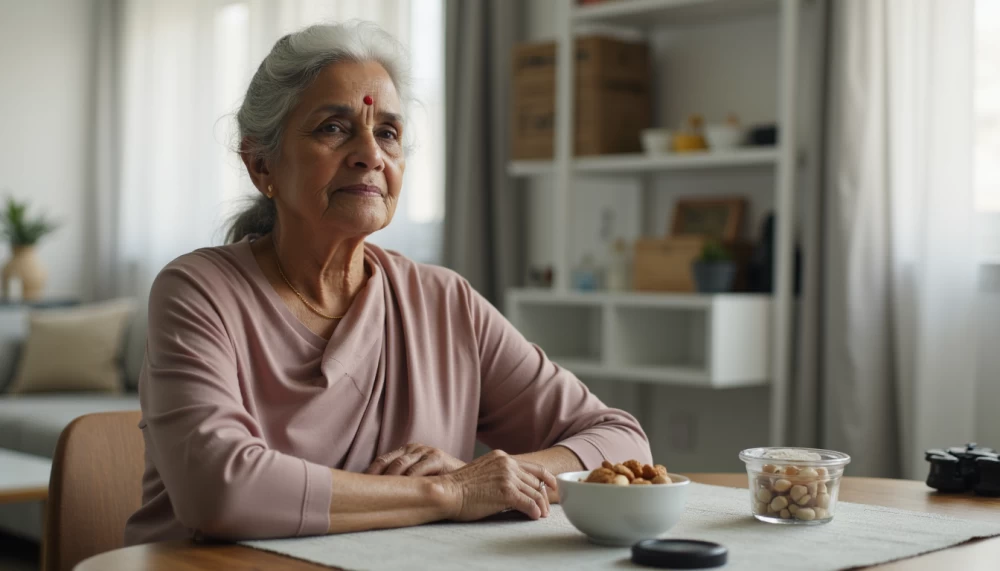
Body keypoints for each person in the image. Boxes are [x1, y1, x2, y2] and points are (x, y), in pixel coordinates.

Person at [124, 21, 651, 545]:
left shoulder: (445, 304)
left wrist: (508, 474)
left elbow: (622, 443)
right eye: (333, 128)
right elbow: (219, 490)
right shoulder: (197, 292)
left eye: (388, 133)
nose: (370, 155)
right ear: (262, 164)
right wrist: (452, 492)